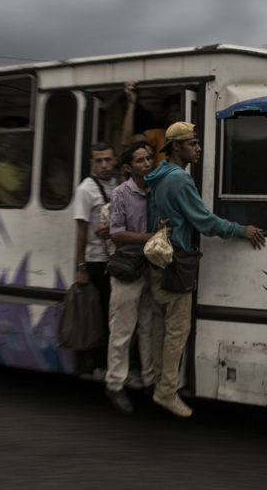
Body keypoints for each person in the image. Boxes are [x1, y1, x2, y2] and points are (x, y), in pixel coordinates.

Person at [144, 122, 266, 418]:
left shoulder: (158, 176)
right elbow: (206, 222)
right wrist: (241, 229)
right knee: (177, 330)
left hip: (157, 260)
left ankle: (159, 380)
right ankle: (166, 391)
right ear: (176, 147)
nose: (198, 148)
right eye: (192, 143)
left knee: (160, 326)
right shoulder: (181, 181)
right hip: (176, 262)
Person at [105, 142, 156, 414]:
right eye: (140, 160)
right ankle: (114, 384)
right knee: (123, 331)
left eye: (149, 158)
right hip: (127, 268)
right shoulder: (122, 193)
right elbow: (116, 232)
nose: (147, 163)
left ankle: (149, 381)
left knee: (148, 326)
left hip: (151, 268)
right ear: (128, 167)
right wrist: (149, 238)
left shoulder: (156, 189)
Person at [73, 142, 118, 372]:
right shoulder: (86, 189)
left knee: (113, 316)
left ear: (115, 160)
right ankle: (97, 364)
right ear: (92, 163)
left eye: (108, 159)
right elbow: (81, 230)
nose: (104, 164)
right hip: (95, 261)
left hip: (115, 259)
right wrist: (81, 267)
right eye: (99, 160)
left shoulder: (119, 184)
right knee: (98, 316)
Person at [121, 82, 181, 165]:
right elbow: (127, 141)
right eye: (170, 111)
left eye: (177, 110)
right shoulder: (159, 135)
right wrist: (131, 104)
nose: (173, 115)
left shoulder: (194, 136)